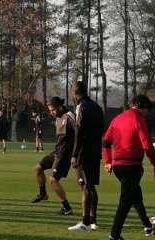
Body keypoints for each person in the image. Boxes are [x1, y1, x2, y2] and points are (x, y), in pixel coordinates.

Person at [104, 95, 155, 240]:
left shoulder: (117, 118)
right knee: (126, 201)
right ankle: (114, 235)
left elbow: (106, 142)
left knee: (135, 195)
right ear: (143, 107)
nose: (147, 113)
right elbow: (147, 145)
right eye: (147, 109)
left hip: (117, 166)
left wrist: (108, 161)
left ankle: (148, 226)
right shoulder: (139, 119)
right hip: (132, 166)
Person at [68, 80, 105, 231]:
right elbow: (101, 129)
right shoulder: (97, 107)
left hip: (85, 153)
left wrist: (75, 155)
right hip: (96, 151)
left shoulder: (81, 107)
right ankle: (93, 220)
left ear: (75, 93)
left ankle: (85, 222)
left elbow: (79, 132)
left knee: (84, 186)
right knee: (91, 186)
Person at [31, 97, 75, 216]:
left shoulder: (70, 116)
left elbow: (79, 134)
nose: (51, 113)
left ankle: (67, 208)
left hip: (65, 155)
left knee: (53, 180)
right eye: (50, 110)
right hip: (57, 152)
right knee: (38, 169)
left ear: (60, 107)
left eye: (53, 110)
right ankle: (43, 194)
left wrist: (74, 155)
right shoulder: (58, 118)